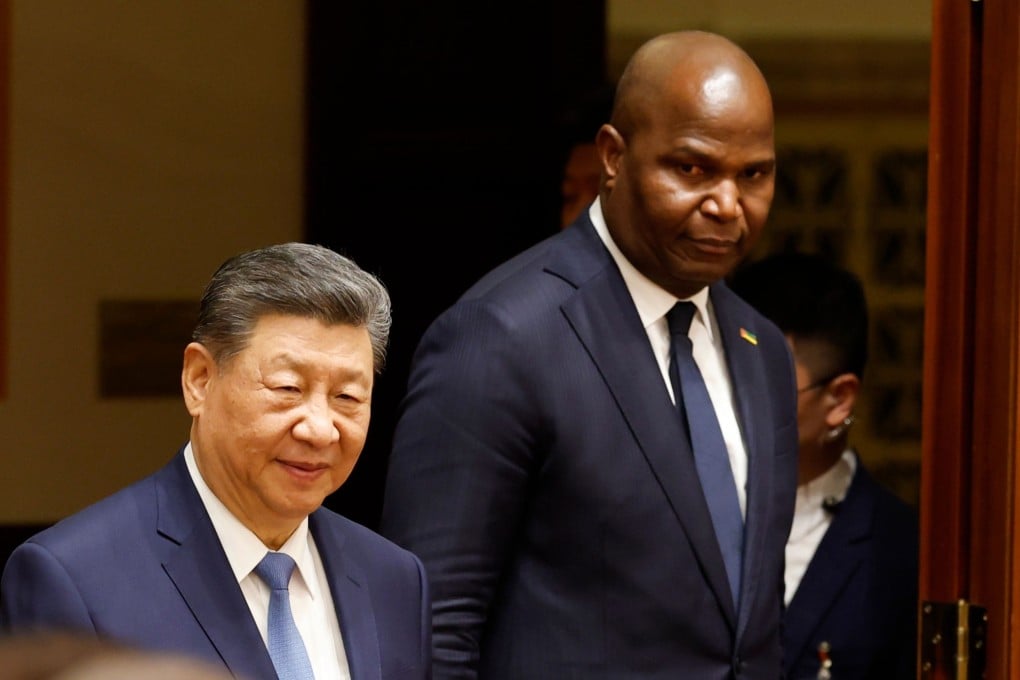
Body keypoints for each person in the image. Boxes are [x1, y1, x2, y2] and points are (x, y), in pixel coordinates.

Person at [380, 30, 799, 679]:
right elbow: (429, 631)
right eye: (691, 168)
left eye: (754, 175)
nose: (726, 205)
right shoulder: (502, 338)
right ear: (613, 156)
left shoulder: (762, 350)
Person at [1, 243, 431, 680]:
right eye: (287, 388)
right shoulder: (74, 578)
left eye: (347, 397)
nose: (320, 429)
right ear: (200, 380)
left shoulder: (394, 579)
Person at [729, 251, 919, 679]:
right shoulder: (671, 502)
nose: (732, 403)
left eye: (763, 386)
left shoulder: (899, 553)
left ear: (839, 400)